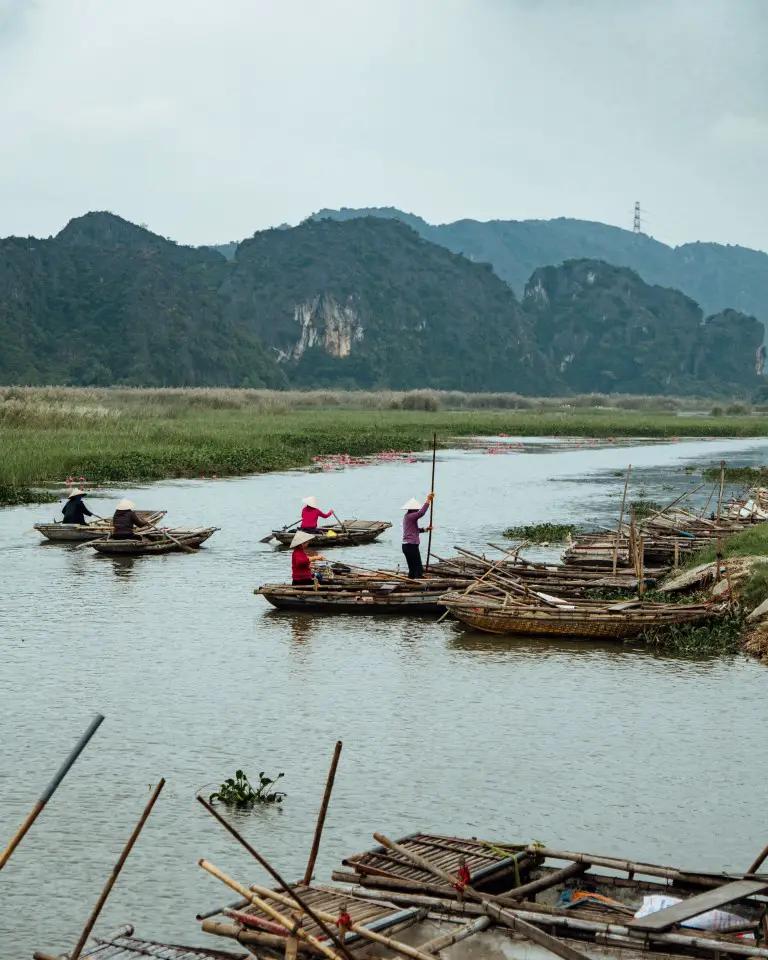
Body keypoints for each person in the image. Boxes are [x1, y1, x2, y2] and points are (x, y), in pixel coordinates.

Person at [401, 492, 434, 580]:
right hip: (410, 545)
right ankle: (419, 581)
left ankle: (411, 580)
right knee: (418, 567)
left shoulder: (407, 517)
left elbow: (415, 530)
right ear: (413, 509)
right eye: (416, 508)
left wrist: (426, 529)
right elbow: (422, 513)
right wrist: (428, 500)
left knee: (412, 568)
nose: (417, 509)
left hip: (406, 545)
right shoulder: (411, 516)